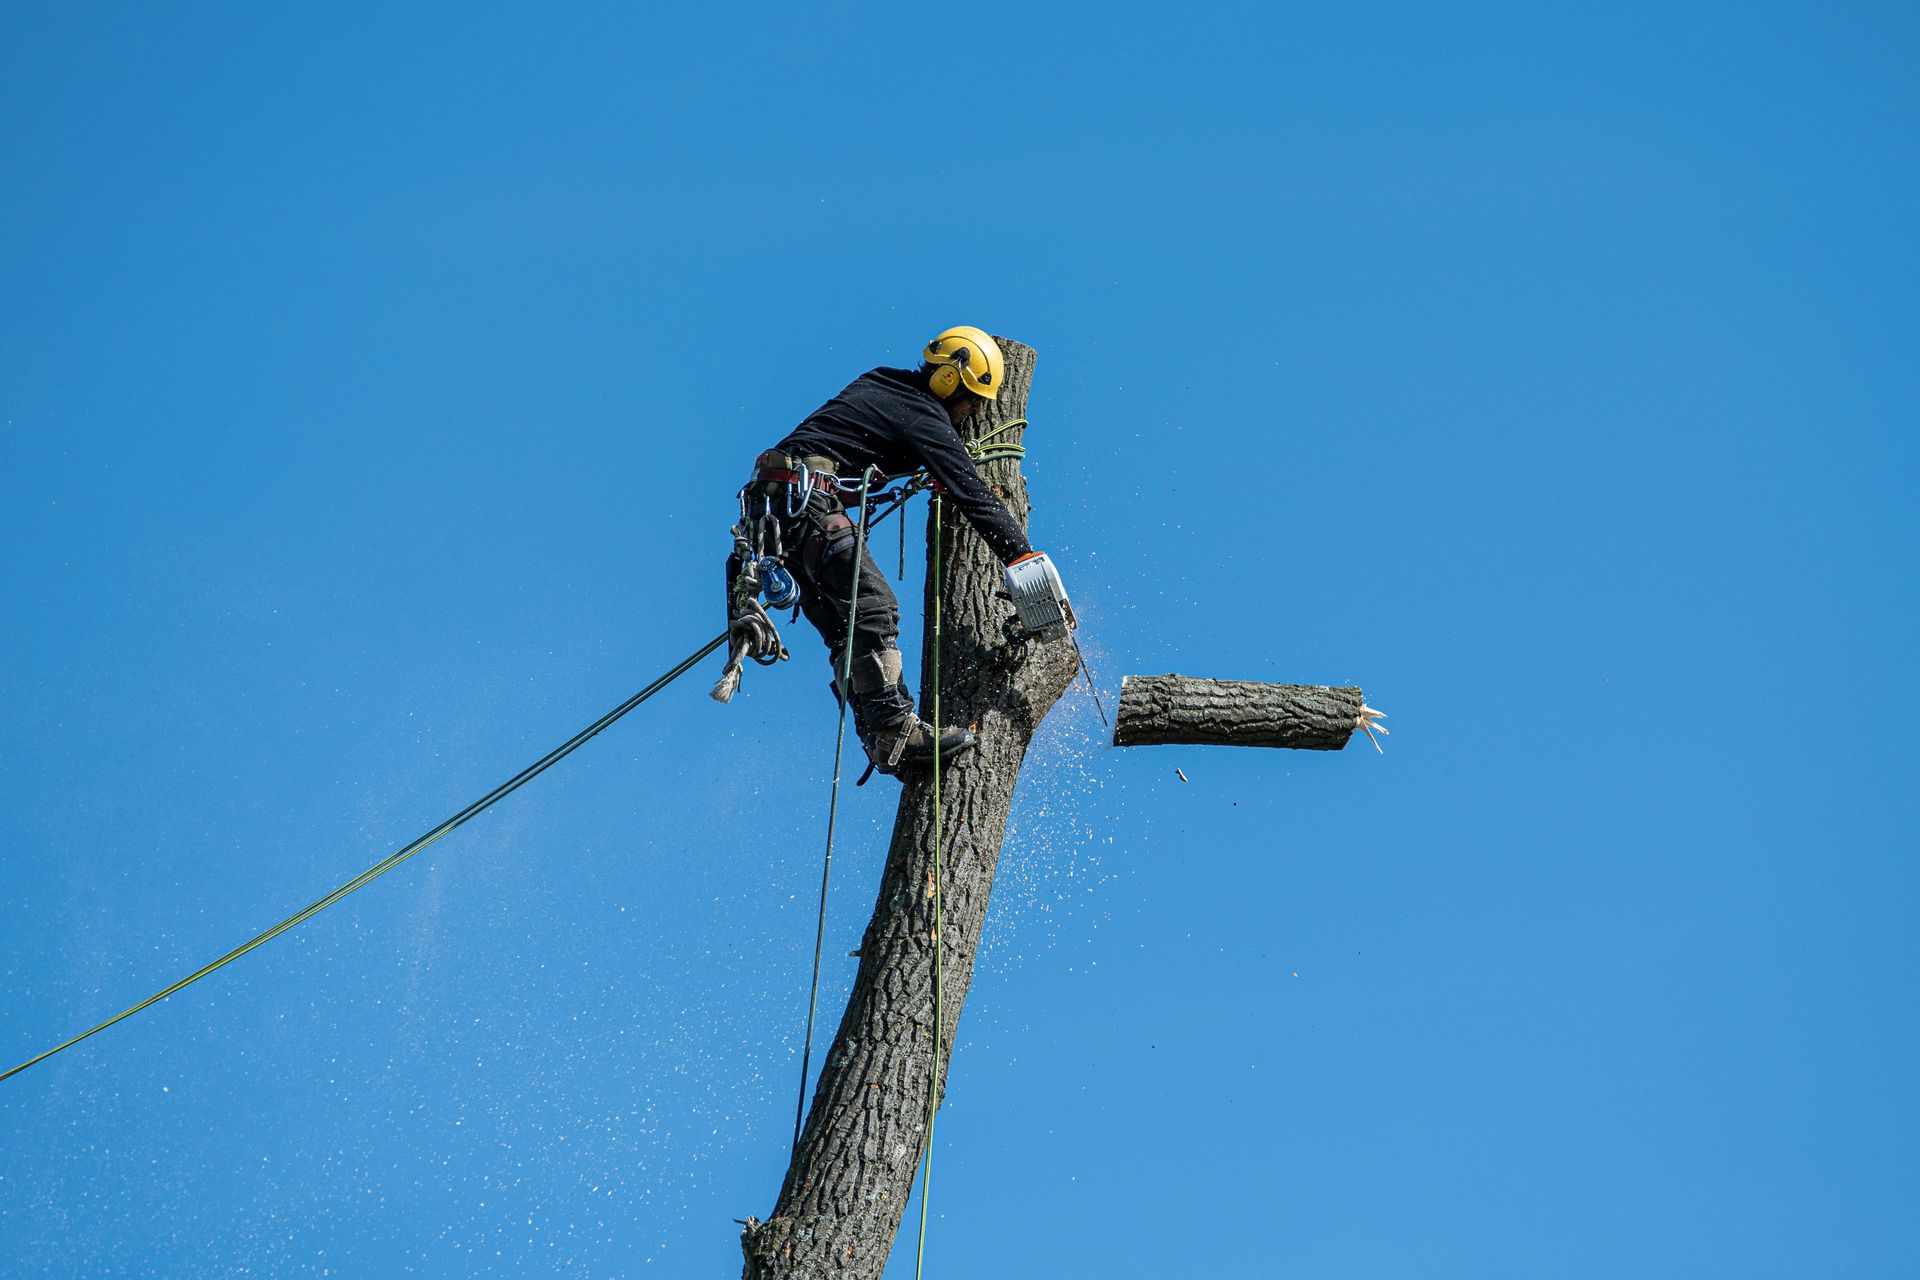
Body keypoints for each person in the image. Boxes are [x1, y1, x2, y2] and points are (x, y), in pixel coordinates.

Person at [725, 326, 1063, 777]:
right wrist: (1026, 562)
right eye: (974, 402)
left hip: (775, 517)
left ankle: (881, 738)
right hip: (805, 507)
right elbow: (974, 495)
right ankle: (893, 727)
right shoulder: (922, 412)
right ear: (949, 383)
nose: (972, 413)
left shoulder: (883, 382)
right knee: (874, 607)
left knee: (846, 632)